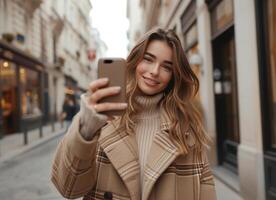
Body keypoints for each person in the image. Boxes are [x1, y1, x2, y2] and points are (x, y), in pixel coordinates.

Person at [51, 28, 216, 200]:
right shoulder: (103, 119)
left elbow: (205, 192)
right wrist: (86, 129)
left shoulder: (186, 129)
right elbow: (68, 188)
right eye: (148, 59)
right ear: (135, 60)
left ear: (173, 76)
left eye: (167, 67)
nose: (154, 71)